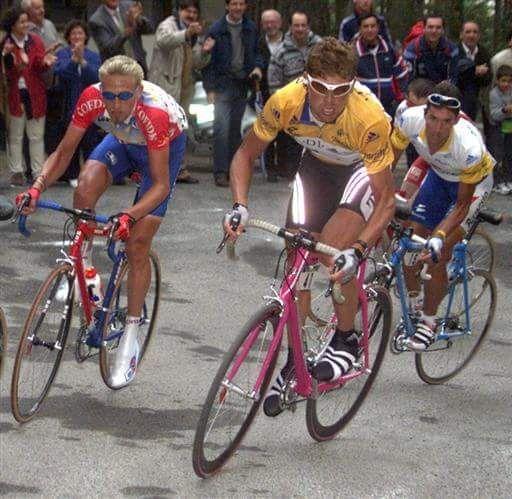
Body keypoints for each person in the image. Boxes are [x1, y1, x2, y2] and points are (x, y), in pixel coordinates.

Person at [223, 38, 395, 416]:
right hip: (315, 166)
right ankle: (293, 358)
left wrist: (360, 248)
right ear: (306, 81)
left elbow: (386, 198)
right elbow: (245, 154)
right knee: (297, 260)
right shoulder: (285, 101)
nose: (329, 101)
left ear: (352, 87)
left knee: (330, 253)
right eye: (320, 89)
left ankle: (347, 338)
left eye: (340, 91)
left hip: (360, 172)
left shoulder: (369, 118)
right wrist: (239, 205)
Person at [15, 55, 187, 388]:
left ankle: (131, 332)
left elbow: (161, 184)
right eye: (109, 95)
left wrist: (129, 215)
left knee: (137, 243)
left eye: (125, 95)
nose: (116, 102)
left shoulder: (153, 112)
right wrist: (36, 188)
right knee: (85, 186)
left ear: (138, 91)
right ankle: (86, 270)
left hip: (161, 149)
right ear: (100, 90)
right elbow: (64, 152)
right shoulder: (92, 97)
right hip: (123, 142)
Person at [390, 82, 494, 351]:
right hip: (438, 176)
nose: (437, 128)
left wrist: (438, 236)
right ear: (424, 113)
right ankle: (414, 304)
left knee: (438, 253)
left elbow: (461, 206)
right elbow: (386, 163)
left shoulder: (468, 146)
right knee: (411, 244)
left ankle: (429, 322)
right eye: (433, 119)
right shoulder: (408, 119)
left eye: (446, 122)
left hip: (471, 185)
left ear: (457, 120)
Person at [148, 0, 214, 185]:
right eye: (187, 11)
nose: (191, 15)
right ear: (179, 11)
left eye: (194, 12)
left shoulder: (193, 31)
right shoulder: (168, 25)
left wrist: (206, 52)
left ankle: (178, 169)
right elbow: (163, 42)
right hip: (164, 86)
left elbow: (197, 62)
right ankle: (155, 171)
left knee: (179, 130)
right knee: (160, 129)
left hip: (184, 88)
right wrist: (186, 33)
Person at [202, 0, 262, 187]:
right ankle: (220, 172)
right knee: (221, 129)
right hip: (222, 84)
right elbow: (208, 63)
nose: (237, 8)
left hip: (242, 83)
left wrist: (258, 67)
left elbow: (258, 52)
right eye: (233, 4)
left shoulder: (251, 27)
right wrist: (209, 88)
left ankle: (234, 170)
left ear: (245, 6)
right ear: (227, 6)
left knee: (235, 130)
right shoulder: (216, 29)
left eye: (241, 4)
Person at [0, 6, 55, 186]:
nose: (26, 25)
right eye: (22, 22)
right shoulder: (5, 44)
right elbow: (6, 74)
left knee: (36, 135)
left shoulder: (36, 41)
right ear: (12, 25)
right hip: (14, 95)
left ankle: (38, 172)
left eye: (26, 21)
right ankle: (17, 172)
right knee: (15, 136)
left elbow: (39, 66)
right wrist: (6, 57)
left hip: (35, 95)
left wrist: (46, 63)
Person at [267, 11, 321, 180]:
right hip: (291, 104)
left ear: (308, 27)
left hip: (319, 101)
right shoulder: (281, 50)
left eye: (303, 25)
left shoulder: (320, 46)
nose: (300, 29)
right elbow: (273, 80)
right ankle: (290, 171)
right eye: (296, 25)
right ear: (290, 27)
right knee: (290, 141)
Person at [54, 20, 102, 187]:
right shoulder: (63, 54)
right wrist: (74, 60)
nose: (77, 36)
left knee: (90, 142)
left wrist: (83, 61)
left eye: (80, 33)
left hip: (90, 106)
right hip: (69, 104)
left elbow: (97, 77)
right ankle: (73, 174)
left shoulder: (93, 55)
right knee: (72, 142)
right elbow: (61, 73)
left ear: (86, 36)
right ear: (68, 36)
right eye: (73, 33)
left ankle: (91, 174)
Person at [354, 13, 409, 115]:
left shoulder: (389, 49)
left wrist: (403, 100)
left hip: (388, 108)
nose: (370, 30)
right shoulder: (353, 52)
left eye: (373, 26)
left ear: (378, 28)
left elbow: (402, 76)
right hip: (362, 108)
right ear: (360, 29)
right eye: (365, 26)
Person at [88, 0, 153, 77]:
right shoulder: (96, 20)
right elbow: (108, 48)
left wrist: (139, 20)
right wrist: (127, 31)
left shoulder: (129, 5)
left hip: (139, 65)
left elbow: (149, 29)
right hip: (117, 71)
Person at [256, 9, 283, 182]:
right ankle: (271, 169)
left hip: (287, 92)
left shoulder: (288, 43)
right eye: (267, 22)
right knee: (269, 131)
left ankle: (286, 167)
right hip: (265, 92)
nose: (270, 25)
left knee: (287, 132)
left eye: (273, 22)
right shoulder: (258, 43)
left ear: (280, 23)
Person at [403, 14, 459, 84]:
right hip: (420, 90)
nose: (434, 31)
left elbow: (453, 77)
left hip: (443, 90)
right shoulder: (412, 49)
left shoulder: (452, 49)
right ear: (424, 28)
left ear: (443, 30)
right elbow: (408, 80)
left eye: (438, 28)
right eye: (430, 27)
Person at [456, 21, 491, 121]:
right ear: (461, 35)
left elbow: (487, 79)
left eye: (475, 32)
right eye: (468, 32)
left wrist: (469, 73)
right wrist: (474, 71)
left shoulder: (483, 53)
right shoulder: (454, 52)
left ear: (479, 35)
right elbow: (454, 76)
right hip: (456, 98)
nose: (471, 35)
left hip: (474, 100)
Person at [488, 65, 512, 195]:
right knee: (497, 154)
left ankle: (508, 179)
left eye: (509, 81)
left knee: (509, 154)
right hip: (497, 127)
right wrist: (504, 110)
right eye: (503, 81)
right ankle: (496, 182)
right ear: (497, 81)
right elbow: (494, 114)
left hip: (509, 126)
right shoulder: (494, 94)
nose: (506, 84)